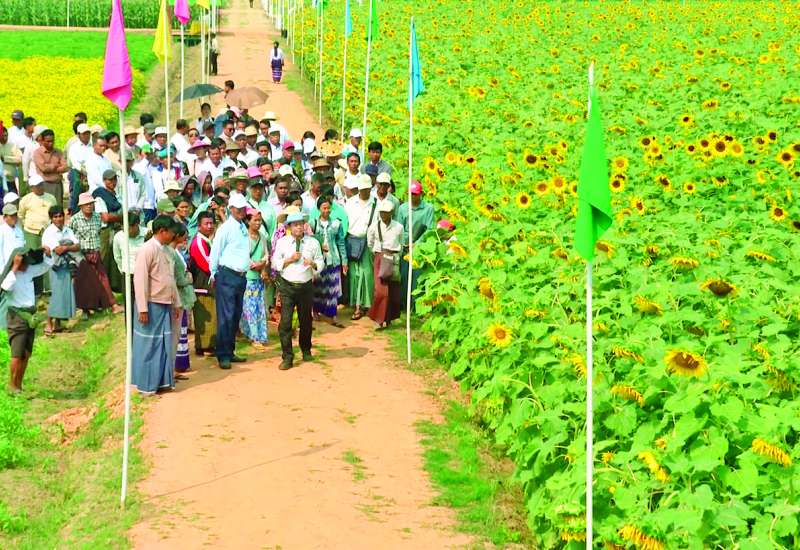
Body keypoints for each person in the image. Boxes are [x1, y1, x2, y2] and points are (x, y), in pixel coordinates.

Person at [132, 215, 180, 396]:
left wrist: (176, 302)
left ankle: (162, 382)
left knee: (163, 345)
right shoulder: (147, 250)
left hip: (166, 303)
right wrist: (142, 308)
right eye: (172, 232)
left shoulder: (167, 250)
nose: (174, 236)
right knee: (149, 345)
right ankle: (146, 385)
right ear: (162, 231)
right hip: (152, 305)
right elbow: (140, 280)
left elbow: (171, 278)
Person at [273, 211, 323, 370]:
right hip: (287, 286)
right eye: (295, 225)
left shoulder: (313, 242)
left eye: (301, 224)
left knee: (306, 320)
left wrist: (313, 264)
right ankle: (287, 356)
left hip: (306, 286)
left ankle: (306, 350)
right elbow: (275, 263)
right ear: (289, 227)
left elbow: (320, 261)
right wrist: (289, 260)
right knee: (286, 322)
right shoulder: (282, 242)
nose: (299, 227)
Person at [208, 193, 251, 369]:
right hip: (227, 275)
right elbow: (216, 251)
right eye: (237, 208)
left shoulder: (242, 227)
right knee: (226, 316)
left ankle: (230, 351)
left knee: (235, 315)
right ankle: (223, 354)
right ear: (231, 209)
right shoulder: (225, 228)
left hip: (240, 276)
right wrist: (213, 272)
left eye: (242, 208)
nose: (241, 211)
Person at [1, 248, 50, 392]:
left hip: (30, 315)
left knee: (26, 353)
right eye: (25, 263)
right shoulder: (11, 275)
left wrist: (47, 255)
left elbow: (45, 266)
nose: (28, 265)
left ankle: (19, 384)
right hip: (17, 317)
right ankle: (12, 385)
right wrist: (15, 267)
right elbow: (5, 287)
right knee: (17, 354)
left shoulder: (29, 271)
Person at [69, 192, 122, 317]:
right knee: (84, 282)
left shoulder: (97, 217)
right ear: (81, 206)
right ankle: (85, 310)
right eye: (86, 204)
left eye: (91, 204)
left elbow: (98, 234)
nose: (89, 206)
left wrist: (96, 251)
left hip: (95, 253)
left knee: (103, 279)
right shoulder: (74, 220)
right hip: (82, 255)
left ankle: (112, 304)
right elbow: (71, 237)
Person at [397, 180, 435, 312]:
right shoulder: (403, 209)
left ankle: (415, 305)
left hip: (420, 249)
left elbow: (430, 230)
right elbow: (399, 228)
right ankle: (403, 304)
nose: (413, 196)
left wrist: (417, 244)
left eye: (415, 194)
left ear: (421, 194)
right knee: (404, 276)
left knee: (417, 277)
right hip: (405, 247)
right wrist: (404, 242)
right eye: (411, 194)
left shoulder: (428, 208)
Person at [41, 206, 79, 335]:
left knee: (64, 294)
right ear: (51, 218)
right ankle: (48, 323)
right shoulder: (49, 232)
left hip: (67, 265)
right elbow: (57, 250)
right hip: (55, 267)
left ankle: (57, 324)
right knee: (56, 295)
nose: (59, 219)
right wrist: (68, 245)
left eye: (60, 216)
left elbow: (77, 245)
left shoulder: (68, 230)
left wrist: (66, 247)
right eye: (55, 217)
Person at [18, 174, 57, 295]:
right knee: (34, 260)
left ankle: (48, 288)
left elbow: (54, 214)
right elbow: (21, 216)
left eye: (41, 184)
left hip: (47, 233)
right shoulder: (26, 199)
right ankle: (36, 290)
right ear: (31, 187)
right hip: (31, 233)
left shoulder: (50, 198)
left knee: (48, 259)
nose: (40, 187)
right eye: (36, 185)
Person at [345, 175, 377, 320]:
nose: (365, 192)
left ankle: (367, 304)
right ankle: (357, 304)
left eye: (367, 189)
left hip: (368, 242)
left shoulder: (375, 203)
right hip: (352, 240)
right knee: (354, 274)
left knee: (367, 274)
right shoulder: (351, 202)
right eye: (362, 189)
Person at [367, 200, 403, 329]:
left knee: (393, 290)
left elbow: (401, 243)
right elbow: (370, 243)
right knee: (381, 291)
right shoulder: (374, 227)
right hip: (380, 257)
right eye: (381, 212)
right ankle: (378, 319)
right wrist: (377, 254)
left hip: (393, 258)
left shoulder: (398, 227)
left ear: (391, 212)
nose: (383, 215)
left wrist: (396, 256)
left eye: (386, 212)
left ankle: (388, 318)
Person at [311, 196, 347, 327]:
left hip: (333, 259)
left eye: (328, 208)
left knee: (333, 289)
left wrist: (344, 261)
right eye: (324, 208)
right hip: (319, 261)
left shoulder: (337, 224)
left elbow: (341, 243)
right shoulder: (313, 223)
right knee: (318, 288)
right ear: (319, 209)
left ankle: (332, 315)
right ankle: (316, 311)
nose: (327, 210)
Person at [167, 224, 195, 376]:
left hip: (182, 297)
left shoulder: (176, 252)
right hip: (177, 296)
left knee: (181, 331)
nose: (186, 239)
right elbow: (177, 278)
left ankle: (180, 364)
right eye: (184, 236)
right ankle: (177, 366)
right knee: (177, 331)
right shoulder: (171, 253)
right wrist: (188, 279)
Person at [239, 209, 269, 350]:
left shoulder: (262, 237)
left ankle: (260, 335)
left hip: (259, 278)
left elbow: (266, 254)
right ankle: (254, 336)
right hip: (247, 278)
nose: (258, 223)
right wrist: (255, 265)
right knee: (250, 308)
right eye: (255, 220)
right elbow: (242, 256)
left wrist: (262, 265)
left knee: (259, 307)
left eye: (259, 220)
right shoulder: (243, 237)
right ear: (248, 221)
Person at [189, 211, 216, 356]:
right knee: (205, 317)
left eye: (211, 223)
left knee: (210, 316)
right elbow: (206, 264)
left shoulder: (207, 240)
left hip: (207, 285)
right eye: (206, 224)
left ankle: (206, 345)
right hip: (202, 286)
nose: (210, 226)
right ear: (199, 226)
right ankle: (205, 346)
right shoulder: (198, 242)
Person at [94, 170, 124, 292]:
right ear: (104, 180)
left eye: (114, 179)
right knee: (104, 257)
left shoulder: (117, 194)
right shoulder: (100, 195)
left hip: (117, 228)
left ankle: (113, 285)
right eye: (110, 180)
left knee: (115, 256)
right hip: (105, 230)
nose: (113, 182)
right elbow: (105, 217)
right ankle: (99, 287)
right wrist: (122, 216)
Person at [31, 129, 68, 207]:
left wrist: (50, 167)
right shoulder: (38, 153)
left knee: (57, 207)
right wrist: (56, 165)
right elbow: (44, 168)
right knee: (46, 208)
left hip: (57, 185)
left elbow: (65, 167)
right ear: (42, 141)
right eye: (48, 141)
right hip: (45, 185)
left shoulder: (58, 152)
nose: (50, 143)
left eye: (52, 141)